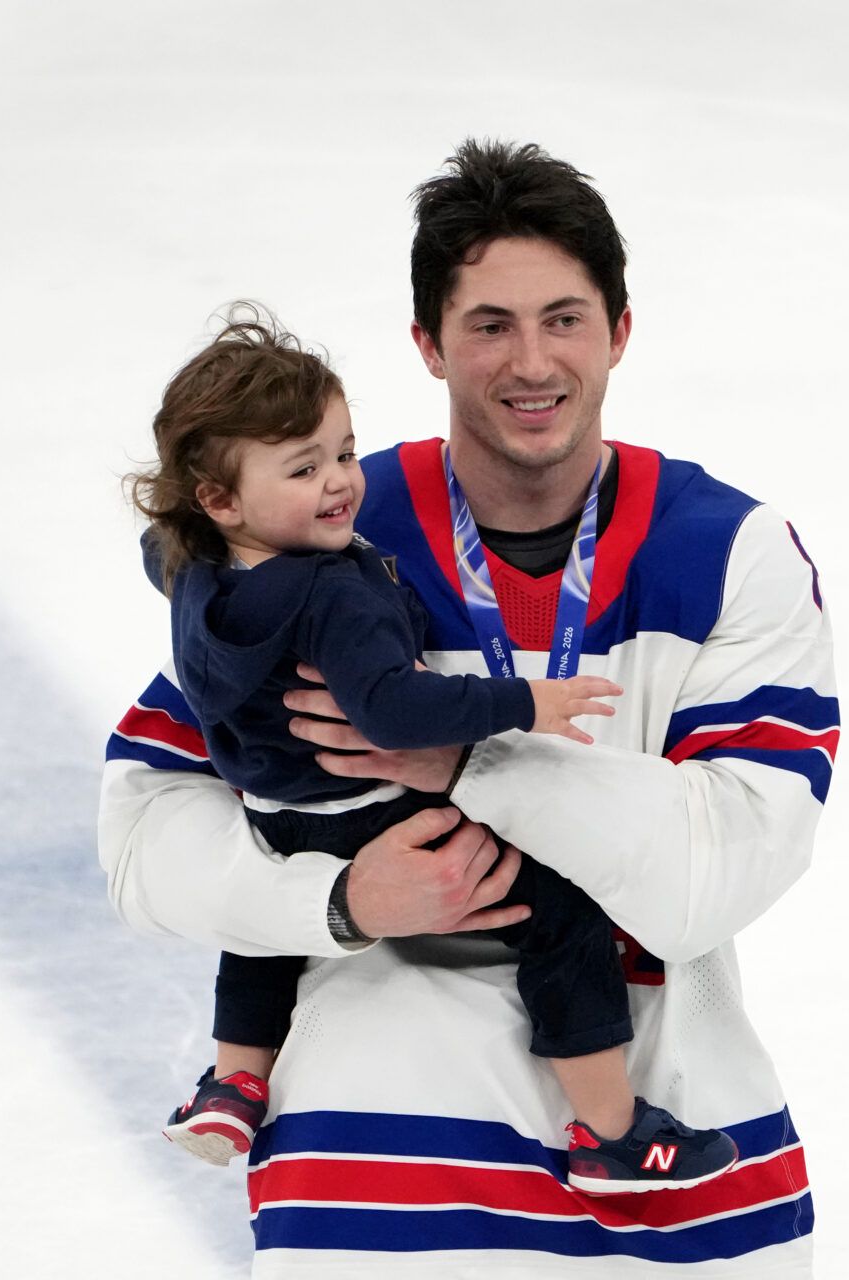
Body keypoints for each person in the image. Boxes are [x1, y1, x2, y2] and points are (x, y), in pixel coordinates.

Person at [100, 138, 838, 1274]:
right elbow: (146, 834)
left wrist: (462, 760)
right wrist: (340, 898)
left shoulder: (730, 553)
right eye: (489, 323)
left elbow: (711, 878)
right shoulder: (324, 530)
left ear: (620, 330)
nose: (530, 360)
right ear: (429, 344)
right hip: (370, 1167)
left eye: (564, 317)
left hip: (665, 1161)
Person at [126, 307, 739, 1194]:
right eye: (305, 469)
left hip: (275, 816)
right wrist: (528, 702)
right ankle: (612, 1130)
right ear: (218, 499)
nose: (341, 483)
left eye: (343, 451)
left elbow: (160, 543)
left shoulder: (187, 568)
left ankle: (233, 1081)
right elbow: (395, 709)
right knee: (561, 912)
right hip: (373, 812)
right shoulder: (335, 595)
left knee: (260, 938)